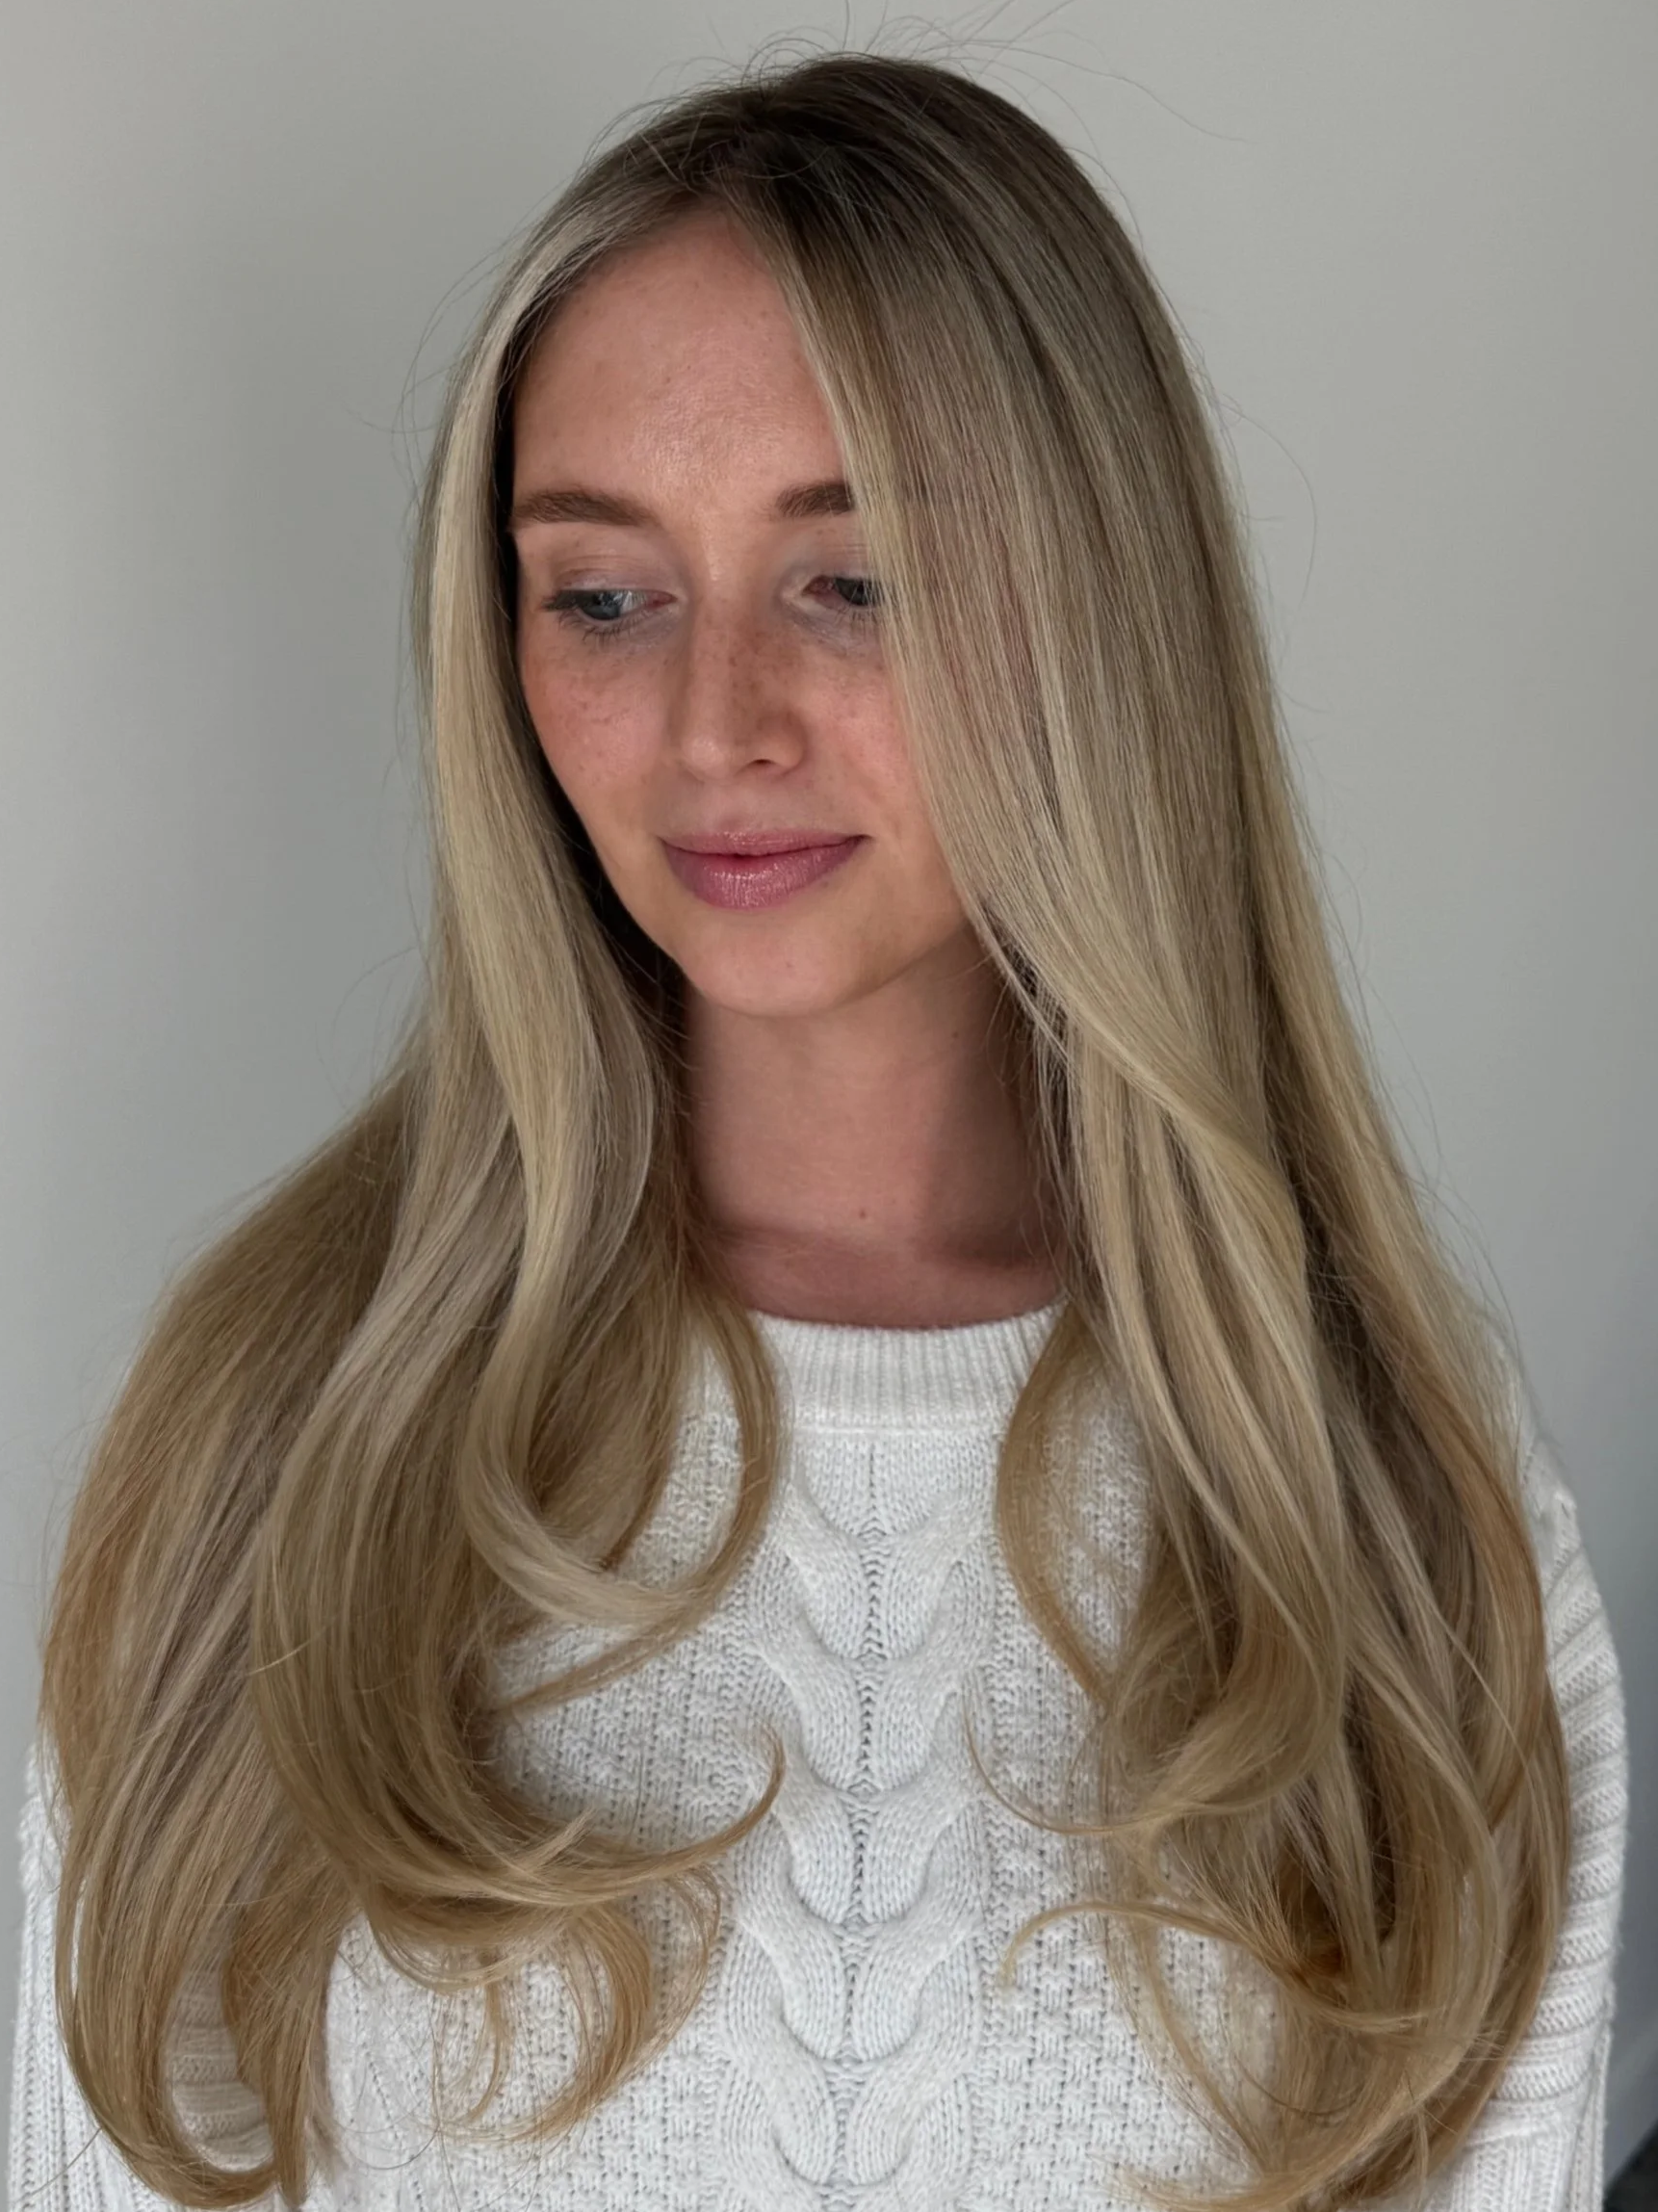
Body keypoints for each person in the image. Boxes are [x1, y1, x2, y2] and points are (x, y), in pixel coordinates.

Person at [7, 39, 1626, 2212]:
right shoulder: (284, 1418)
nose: (712, 722)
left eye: (852, 580)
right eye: (603, 593)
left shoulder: (1384, 1483)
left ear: (1097, 607)